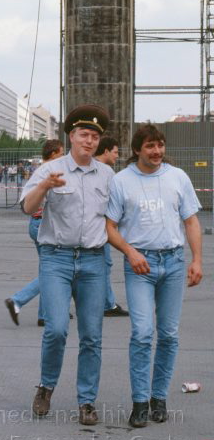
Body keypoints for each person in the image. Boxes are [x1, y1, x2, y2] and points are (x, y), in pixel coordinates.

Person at [20, 104, 114, 426]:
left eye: (95, 137)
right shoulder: (50, 169)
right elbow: (26, 207)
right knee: (57, 329)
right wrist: (44, 187)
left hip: (93, 261)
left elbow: (116, 220)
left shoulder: (107, 174)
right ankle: (46, 386)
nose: (89, 141)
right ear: (71, 136)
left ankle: (87, 401)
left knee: (92, 335)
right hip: (56, 258)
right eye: (83, 135)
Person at [105, 124, 203, 428]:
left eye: (160, 145)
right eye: (150, 146)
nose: (157, 151)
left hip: (173, 263)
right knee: (142, 333)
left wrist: (197, 259)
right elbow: (109, 227)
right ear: (137, 149)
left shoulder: (178, 177)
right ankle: (139, 402)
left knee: (169, 334)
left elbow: (191, 221)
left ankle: (158, 399)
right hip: (140, 267)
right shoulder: (121, 182)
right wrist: (131, 253)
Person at [5, 139, 65, 326]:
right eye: (61, 153)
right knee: (52, 271)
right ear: (53, 153)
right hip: (43, 224)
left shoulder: (42, 169)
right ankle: (18, 300)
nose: (64, 157)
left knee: (47, 269)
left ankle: (44, 314)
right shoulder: (49, 171)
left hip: (37, 223)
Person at [94, 136, 130, 318]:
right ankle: (20, 298)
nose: (117, 155)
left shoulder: (96, 169)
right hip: (100, 229)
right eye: (115, 152)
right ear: (106, 151)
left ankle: (108, 303)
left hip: (98, 228)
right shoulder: (106, 173)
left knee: (102, 266)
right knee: (63, 272)